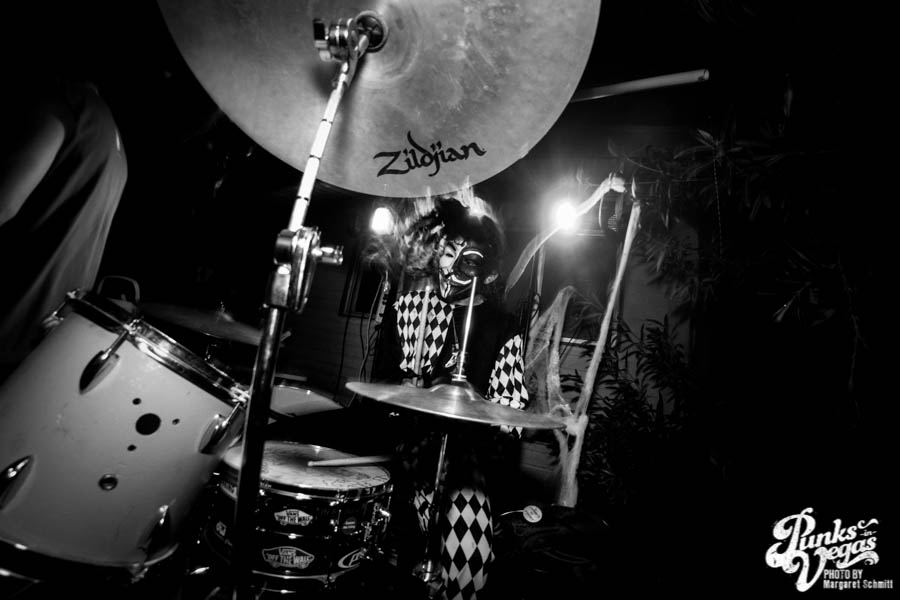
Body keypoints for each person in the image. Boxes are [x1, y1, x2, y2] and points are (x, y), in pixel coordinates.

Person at [367, 189, 530, 600]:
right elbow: (379, 388)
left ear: (487, 273)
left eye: (467, 257)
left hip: (462, 465)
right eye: (448, 252)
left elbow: (510, 410)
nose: (452, 265)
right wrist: (402, 392)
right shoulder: (408, 308)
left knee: (468, 567)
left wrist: (487, 423)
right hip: (401, 452)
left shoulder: (501, 326)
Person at [0, 65, 128, 380]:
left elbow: (4, 204)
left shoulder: (69, 103)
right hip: (44, 338)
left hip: (8, 318)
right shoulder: (118, 150)